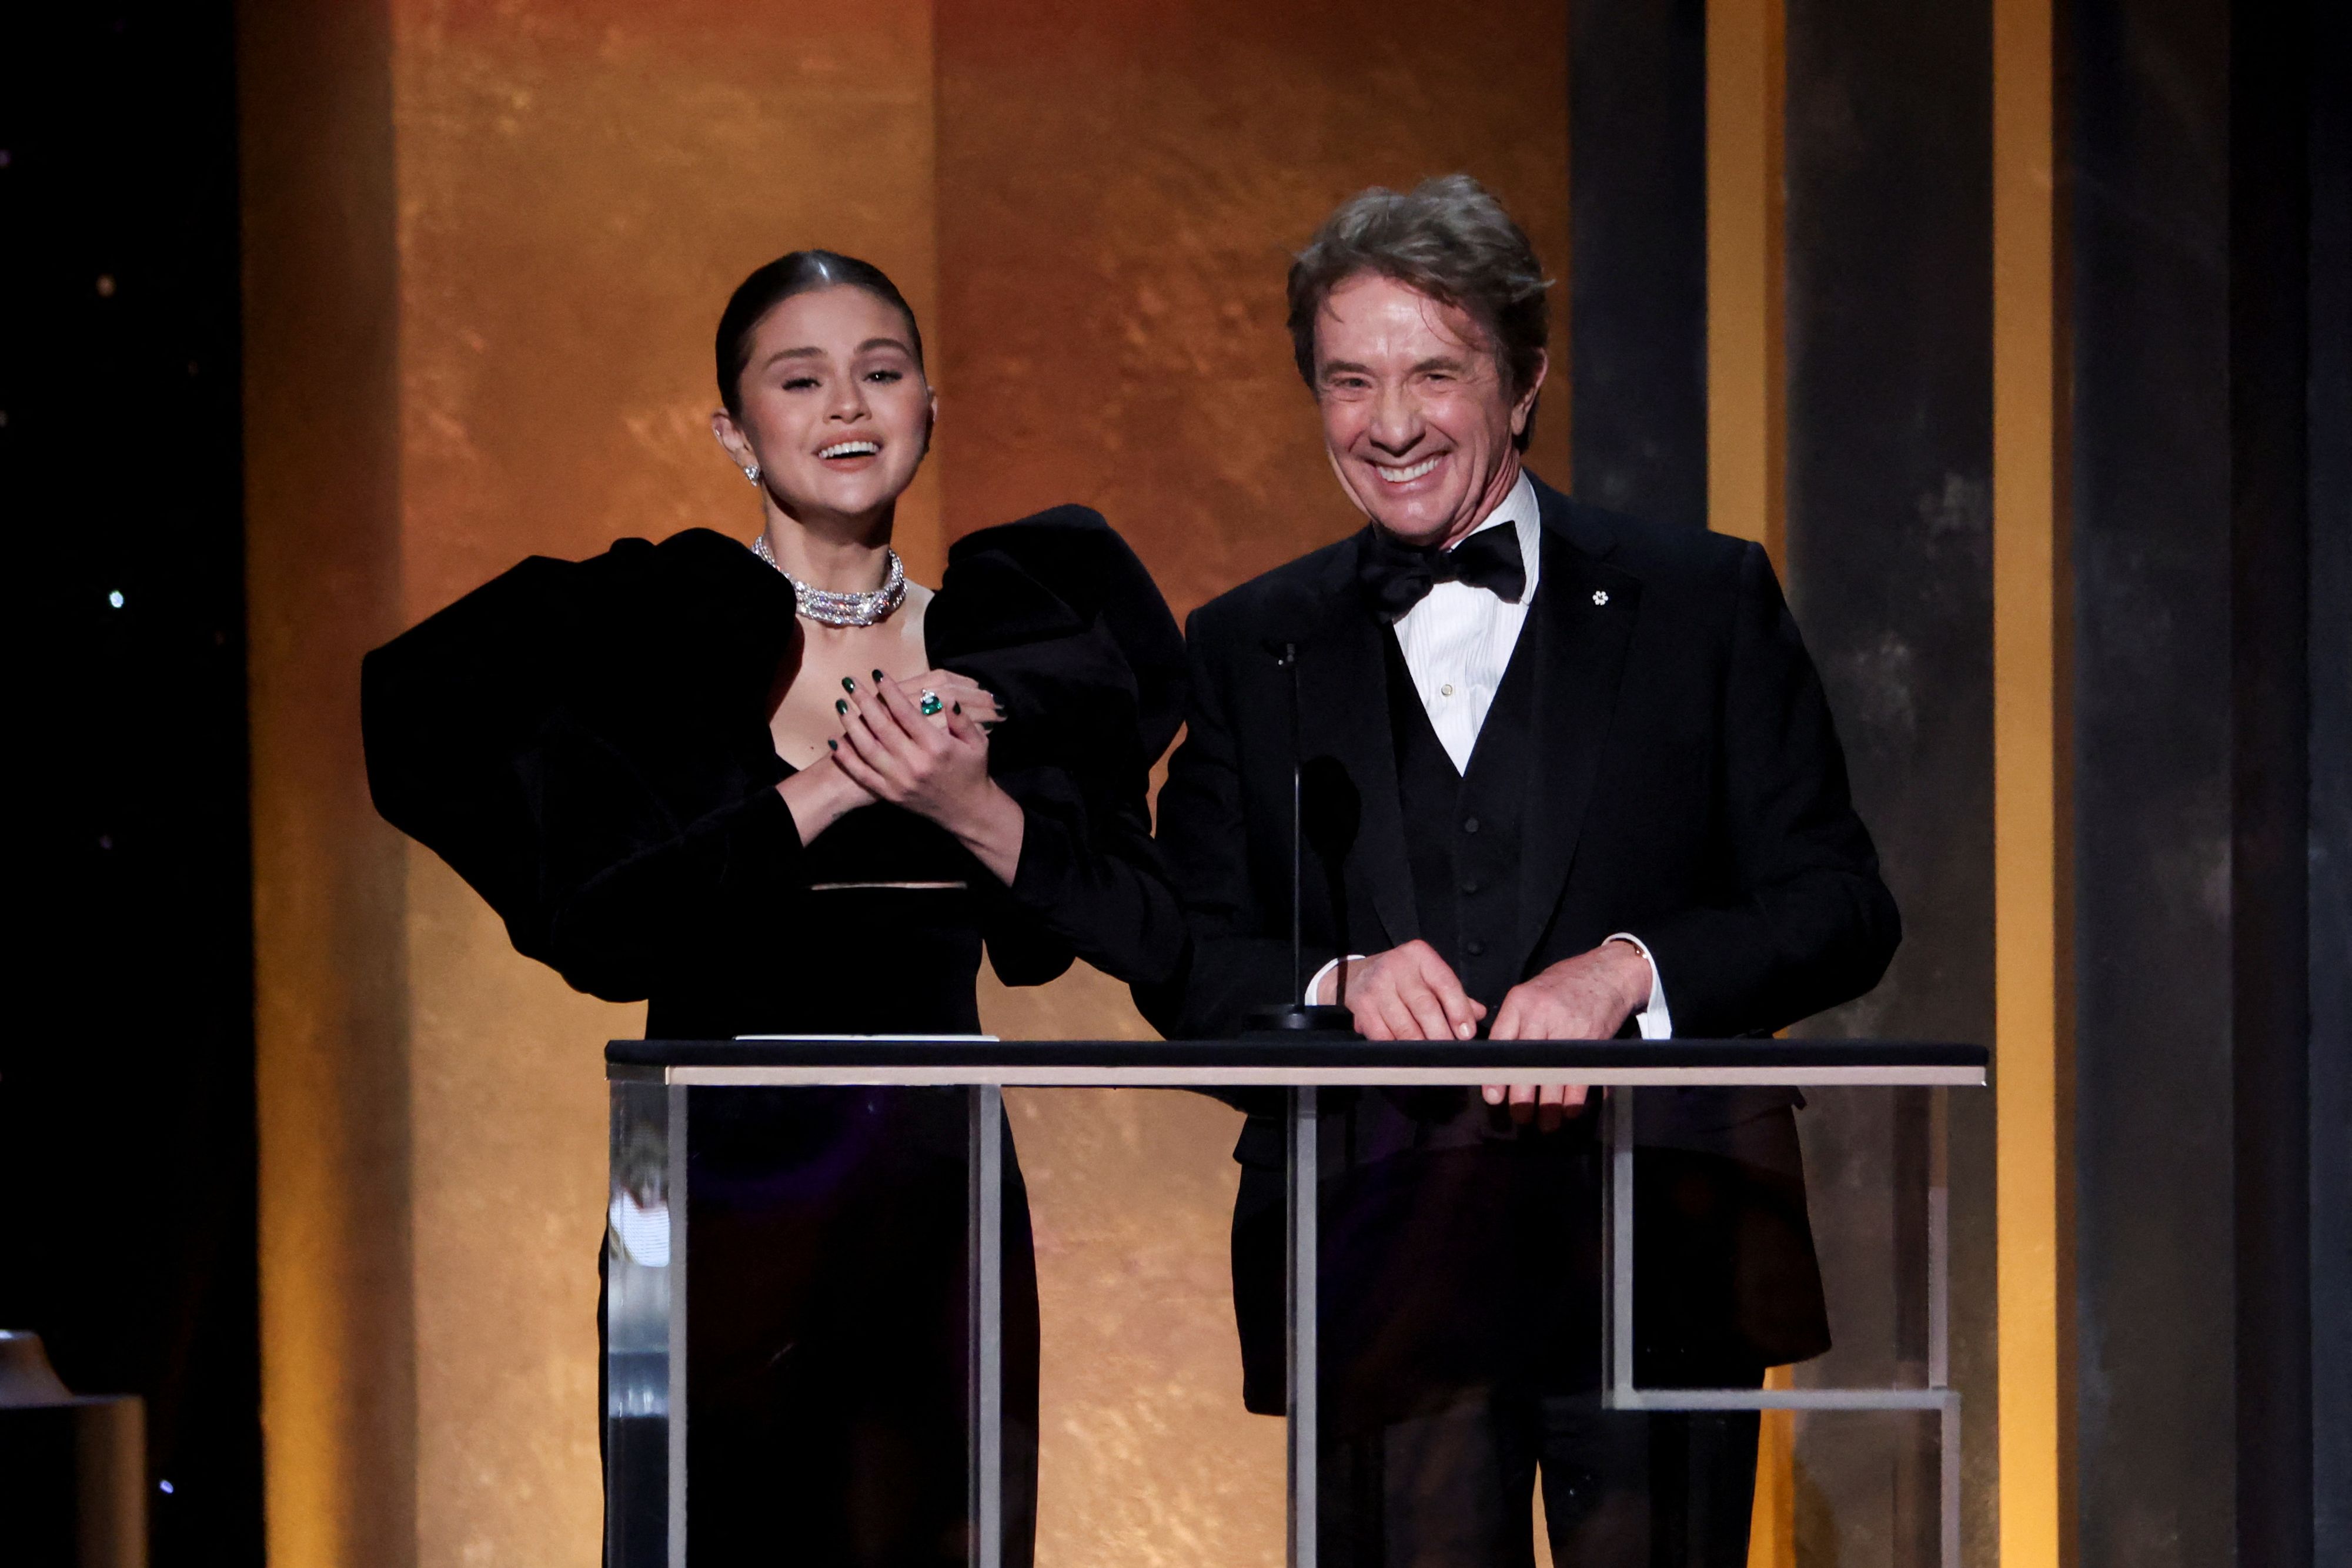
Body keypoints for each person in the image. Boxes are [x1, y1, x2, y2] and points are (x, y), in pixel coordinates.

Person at [363, 250, 1187, 1566]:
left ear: (929, 401)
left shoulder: (1011, 646)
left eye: (880, 371)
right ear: (735, 432)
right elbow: (603, 929)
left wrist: (969, 794)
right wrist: (827, 787)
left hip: (932, 1187)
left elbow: (1124, 935)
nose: (846, 406)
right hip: (703, 1181)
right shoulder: (662, 643)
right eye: (798, 380)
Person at [1138, 177, 1900, 1566]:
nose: (1389, 423)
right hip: (1378, 1268)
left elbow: (1838, 902)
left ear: (1524, 379)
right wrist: (1334, 981)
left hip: (1656, 1242)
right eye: (1347, 379)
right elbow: (1185, 957)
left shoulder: (1700, 600)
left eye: (1435, 372)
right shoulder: (1254, 643)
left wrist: (1630, 972)